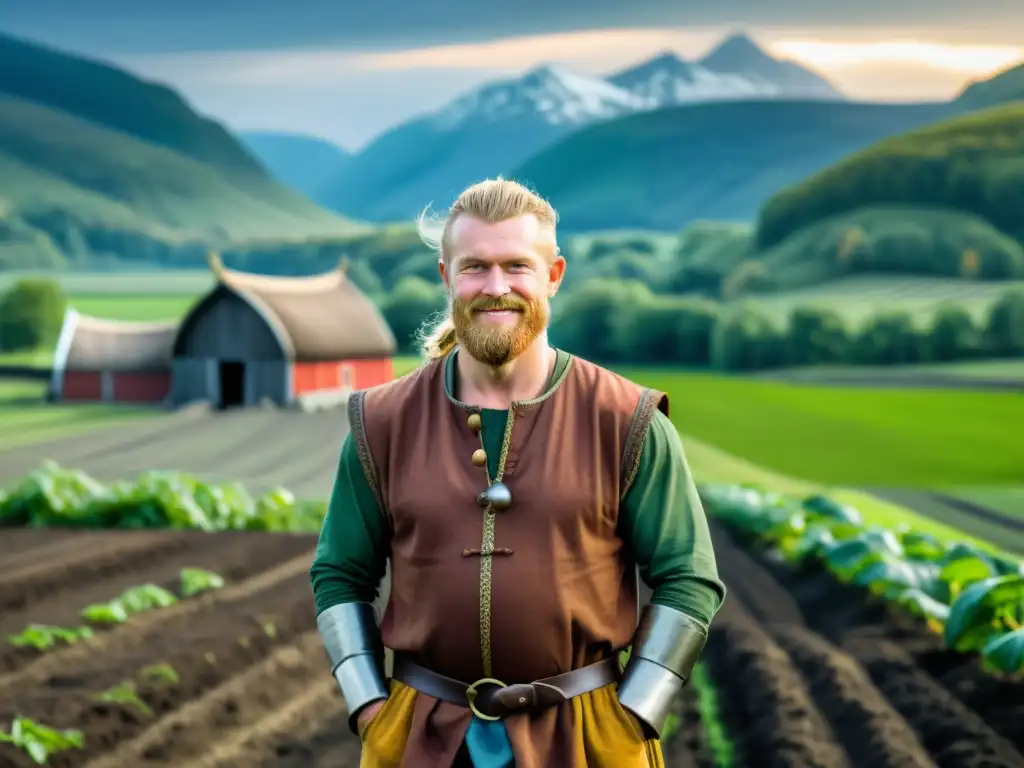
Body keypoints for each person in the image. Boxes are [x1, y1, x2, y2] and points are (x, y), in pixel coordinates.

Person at [310, 178, 726, 768]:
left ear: (553, 275)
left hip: (589, 739)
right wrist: (369, 704)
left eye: (517, 266)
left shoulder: (625, 419)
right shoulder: (382, 421)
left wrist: (635, 711)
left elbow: (690, 577)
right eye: (475, 266)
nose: (496, 287)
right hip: (419, 740)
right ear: (446, 276)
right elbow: (338, 573)